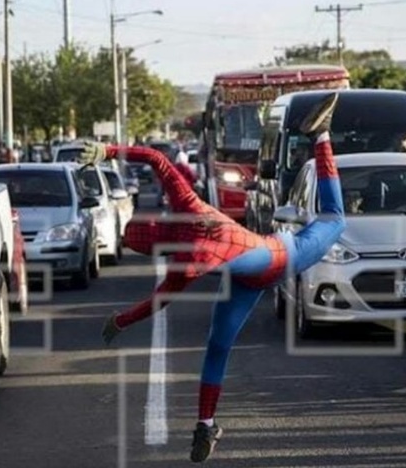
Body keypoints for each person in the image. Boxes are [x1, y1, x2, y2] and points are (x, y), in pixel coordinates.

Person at [79, 93, 346, 463]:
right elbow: (156, 158)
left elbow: (158, 302)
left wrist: (121, 320)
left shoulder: (184, 265)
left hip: (251, 277)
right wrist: (107, 151)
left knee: (217, 348)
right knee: (335, 218)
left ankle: (206, 423)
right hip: (280, 255)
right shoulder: (190, 206)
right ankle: (320, 137)